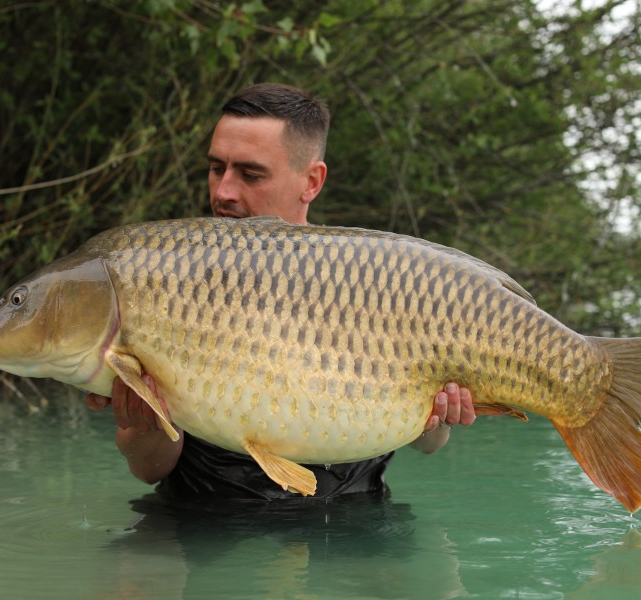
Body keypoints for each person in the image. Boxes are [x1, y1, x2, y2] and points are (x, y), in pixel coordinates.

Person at [86, 83, 477, 499]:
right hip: (206, 527)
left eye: (250, 174)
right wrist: (146, 423)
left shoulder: (375, 283)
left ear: (311, 181)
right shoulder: (169, 281)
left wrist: (442, 416)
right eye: (217, 168)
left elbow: (428, 443)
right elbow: (148, 470)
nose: (223, 192)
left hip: (357, 528)